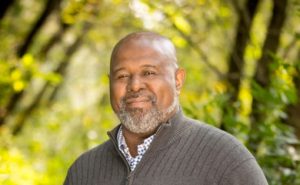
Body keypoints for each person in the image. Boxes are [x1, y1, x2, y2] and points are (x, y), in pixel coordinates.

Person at [63, 31, 268, 185]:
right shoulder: (82, 172)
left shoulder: (225, 158)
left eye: (149, 73)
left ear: (178, 80)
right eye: (123, 76)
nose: (134, 85)